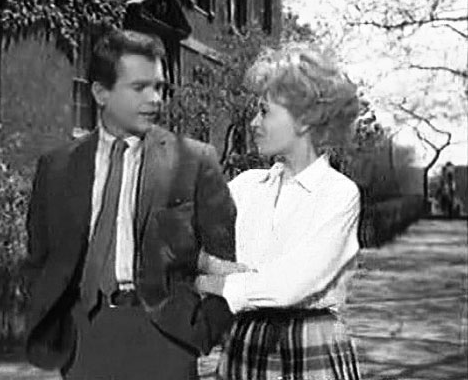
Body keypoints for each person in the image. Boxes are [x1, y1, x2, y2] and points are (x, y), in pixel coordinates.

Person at [22, 29, 239, 380]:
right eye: (139, 87)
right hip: (83, 339)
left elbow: (225, 260)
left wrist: (204, 331)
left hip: (167, 339)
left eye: (159, 87)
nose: (155, 99)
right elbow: (39, 260)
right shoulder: (57, 168)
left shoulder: (194, 161)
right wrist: (58, 325)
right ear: (101, 93)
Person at [196, 45, 363, 379]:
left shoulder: (338, 194)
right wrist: (213, 267)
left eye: (265, 112)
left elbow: (289, 286)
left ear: (304, 119)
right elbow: (188, 247)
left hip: (311, 345)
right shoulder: (246, 186)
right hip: (247, 341)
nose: (254, 123)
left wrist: (207, 281)